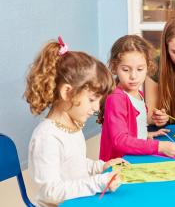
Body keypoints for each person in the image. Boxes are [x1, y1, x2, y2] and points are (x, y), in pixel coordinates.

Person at [25, 37, 126, 207]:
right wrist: (97, 182)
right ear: (67, 93)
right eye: (92, 99)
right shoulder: (47, 137)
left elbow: (74, 165)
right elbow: (50, 192)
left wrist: (101, 166)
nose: (96, 108)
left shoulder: (73, 126)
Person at [98, 35, 175, 161]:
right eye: (126, 69)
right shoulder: (116, 99)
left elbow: (132, 130)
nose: (133, 76)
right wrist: (159, 146)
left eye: (139, 69)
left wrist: (146, 135)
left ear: (148, 67)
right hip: (119, 164)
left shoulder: (139, 95)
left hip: (133, 159)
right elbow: (120, 140)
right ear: (114, 67)